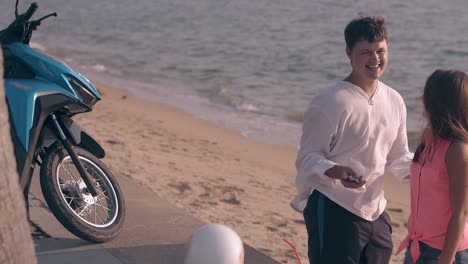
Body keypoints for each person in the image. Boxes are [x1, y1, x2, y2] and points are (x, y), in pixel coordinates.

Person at [290, 15, 413, 263]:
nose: (375, 59)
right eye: (366, 52)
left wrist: (429, 169)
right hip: (335, 206)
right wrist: (336, 171)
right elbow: (307, 157)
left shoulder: (395, 100)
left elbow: (399, 157)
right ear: (349, 53)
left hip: (376, 210)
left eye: (381, 51)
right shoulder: (331, 101)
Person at [395, 69, 468, 264]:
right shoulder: (428, 141)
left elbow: (460, 211)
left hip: (444, 253)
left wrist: (446, 259)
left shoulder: (457, 150)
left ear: (439, 103)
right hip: (417, 244)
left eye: (426, 94)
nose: (421, 98)